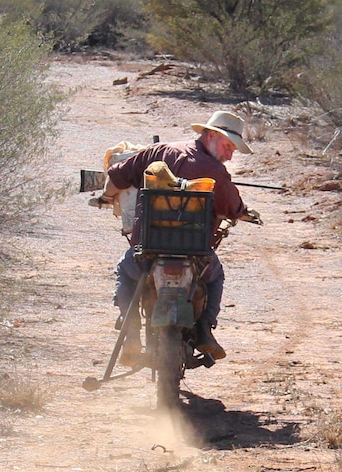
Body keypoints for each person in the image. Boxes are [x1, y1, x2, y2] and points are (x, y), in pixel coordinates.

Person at [95, 111, 254, 366]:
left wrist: (104, 197)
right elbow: (233, 207)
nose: (230, 154)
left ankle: (132, 335)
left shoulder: (157, 152)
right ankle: (204, 329)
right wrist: (242, 212)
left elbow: (116, 177)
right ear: (211, 136)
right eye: (228, 146)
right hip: (195, 255)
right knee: (216, 277)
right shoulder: (215, 173)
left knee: (125, 273)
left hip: (147, 251)